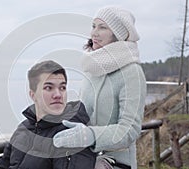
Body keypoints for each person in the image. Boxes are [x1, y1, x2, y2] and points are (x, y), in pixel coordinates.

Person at [53, 6, 146, 169]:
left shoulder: (132, 72)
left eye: (102, 27)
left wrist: (90, 135)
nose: (94, 33)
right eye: (93, 26)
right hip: (85, 161)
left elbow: (130, 130)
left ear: (118, 34)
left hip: (116, 163)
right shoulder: (93, 69)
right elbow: (84, 113)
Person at [0, 60, 96, 169]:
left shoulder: (71, 133)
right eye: (48, 88)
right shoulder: (24, 128)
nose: (58, 95)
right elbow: (2, 163)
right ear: (33, 95)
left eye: (62, 88)